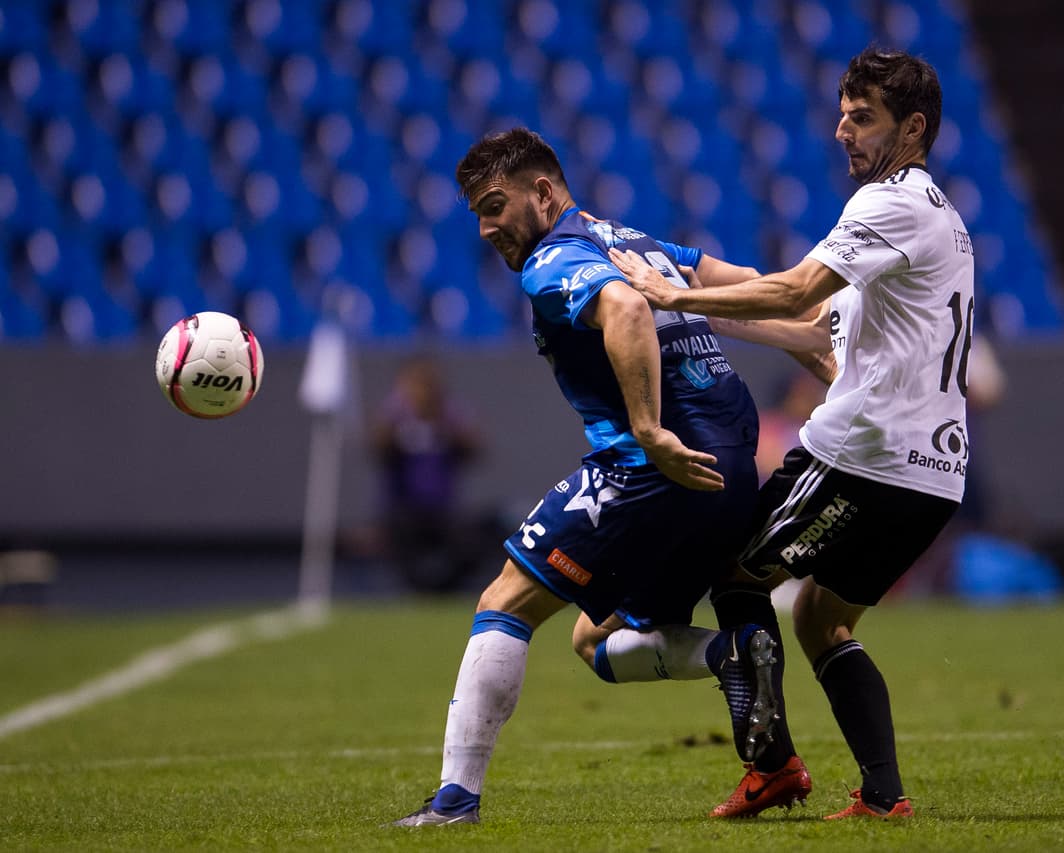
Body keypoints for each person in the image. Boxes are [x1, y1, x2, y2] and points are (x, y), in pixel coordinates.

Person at [392, 127, 804, 827]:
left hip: (658, 466)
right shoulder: (636, 241)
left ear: (544, 192)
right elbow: (740, 292)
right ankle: (731, 652)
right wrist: (812, 339)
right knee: (594, 639)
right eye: (477, 214)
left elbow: (624, 308)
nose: (487, 227)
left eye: (496, 205)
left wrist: (647, 429)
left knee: (506, 600)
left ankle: (455, 801)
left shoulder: (552, 259)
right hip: (732, 468)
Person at [611, 46, 971, 820]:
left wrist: (670, 295)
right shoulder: (941, 216)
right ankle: (883, 795)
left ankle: (770, 765)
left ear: (913, 128)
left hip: (861, 457)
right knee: (818, 617)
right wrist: (700, 311)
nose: (843, 130)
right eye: (842, 114)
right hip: (933, 476)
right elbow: (815, 325)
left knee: (739, 580)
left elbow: (802, 284)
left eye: (863, 117)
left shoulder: (889, 204)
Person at [370, 357, 485, 593]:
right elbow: (377, 449)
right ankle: (415, 591)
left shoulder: (448, 414)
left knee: (469, 546)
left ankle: (442, 590)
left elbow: (474, 450)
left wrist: (444, 423)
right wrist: (398, 418)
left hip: (442, 508)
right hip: (404, 508)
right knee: (402, 550)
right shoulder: (395, 415)